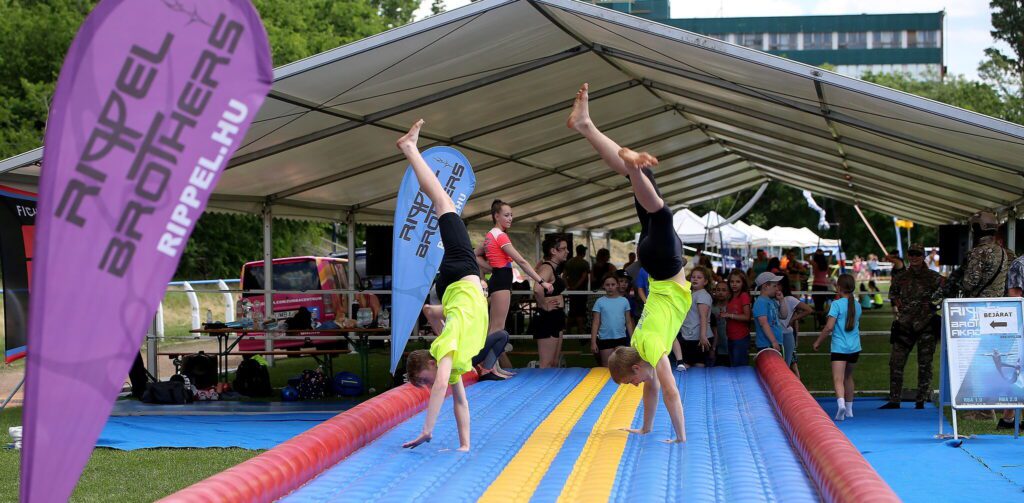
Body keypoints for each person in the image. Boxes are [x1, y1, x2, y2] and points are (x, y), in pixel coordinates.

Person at [570, 82, 689, 443]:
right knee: (648, 196)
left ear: (637, 366)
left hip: (665, 267)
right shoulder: (639, 344)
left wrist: (681, 436)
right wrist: (647, 427)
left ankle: (624, 158)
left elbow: (667, 391)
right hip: (655, 264)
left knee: (662, 211)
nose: (636, 384)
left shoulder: (650, 350)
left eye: (632, 379)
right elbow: (652, 388)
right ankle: (587, 127)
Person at [397, 120, 487, 451]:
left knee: (442, 201)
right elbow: (459, 401)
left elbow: (439, 392)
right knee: (441, 203)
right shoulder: (453, 360)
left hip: (461, 271)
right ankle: (409, 148)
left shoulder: (446, 350)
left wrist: (427, 429)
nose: (430, 384)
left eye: (425, 378)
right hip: (457, 284)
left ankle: (409, 148)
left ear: (431, 364)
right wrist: (464, 445)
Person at [477, 199, 553, 378]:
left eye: (511, 215)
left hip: (500, 278)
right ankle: (488, 368)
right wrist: (542, 282)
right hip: (501, 281)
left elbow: (476, 255)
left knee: (496, 327)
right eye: (506, 215)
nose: (510, 218)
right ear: (496, 216)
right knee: (497, 328)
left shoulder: (490, 235)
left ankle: (492, 367)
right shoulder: (500, 236)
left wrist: (491, 269)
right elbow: (522, 261)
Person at [881, 243, 943, 410]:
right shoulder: (901, 277)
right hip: (905, 326)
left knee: (925, 364)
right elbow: (893, 295)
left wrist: (933, 307)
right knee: (895, 362)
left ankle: (921, 400)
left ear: (923, 256)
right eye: (911, 254)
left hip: (926, 326)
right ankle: (894, 399)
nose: (914, 257)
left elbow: (946, 293)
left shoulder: (933, 277)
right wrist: (902, 309)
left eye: (917, 254)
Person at [813, 274, 862, 422]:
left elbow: (829, 327)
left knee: (838, 378)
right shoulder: (857, 305)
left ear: (838, 287)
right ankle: (849, 409)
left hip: (839, 347)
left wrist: (818, 342)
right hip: (854, 348)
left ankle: (840, 404)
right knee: (848, 377)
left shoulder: (836, 305)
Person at [532, 235, 569, 368]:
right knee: (546, 363)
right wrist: (544, 305)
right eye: (563, 249)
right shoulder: (547, 268)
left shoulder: (554, 268)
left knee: (553, 363)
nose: (567, 251)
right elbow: (537, 289)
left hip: (555, 316)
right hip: (548, 317)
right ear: (553, 251)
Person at [590, 274, 634, 366]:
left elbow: (628, 322)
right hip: (605, 338)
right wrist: (593, 342)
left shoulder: (624, 301)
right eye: (607, 285)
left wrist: (633, 339)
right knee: (606, 365)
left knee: (621, 365)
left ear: (617, 285)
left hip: (621, 338)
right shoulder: (599, 302)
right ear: (603, 286)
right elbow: (595, 323)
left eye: (613, 284)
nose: (610, 287)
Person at [679, 266, 713, 369]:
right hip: (689, 336)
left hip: (698, 338)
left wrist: (703, 336)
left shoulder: (702, 295)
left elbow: (703, 317)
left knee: (698, 366)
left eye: (699, 277)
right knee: (687, 365)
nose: (695, 279)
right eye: (693, 277)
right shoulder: (691, 294)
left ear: (705, 282)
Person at [780, 277, 813, 376]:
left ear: (783, 286)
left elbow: (808, 310)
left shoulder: (790, 299)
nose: (774, 287)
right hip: (776, 335)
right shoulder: (771, 300)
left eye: (777, 284)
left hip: (787, 335)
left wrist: (793, 319)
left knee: (790, 364)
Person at [723, 269, 753, 366]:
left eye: (738, 282)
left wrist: (729, 315)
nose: (734, 284)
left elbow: (747, 316)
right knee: (733, 365)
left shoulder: (743, 296)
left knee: (739, 366)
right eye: (732, 282)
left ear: (743, 283)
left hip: (740, 337)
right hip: (731, 336)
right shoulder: (731, 296)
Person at [752, 272, 788, 354]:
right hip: (767, 345)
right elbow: (763, 323)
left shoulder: (771, 301)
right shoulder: (760, 302)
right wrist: (773, 341)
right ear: (765, 286)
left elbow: (784, 315)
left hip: (774, 343)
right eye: (774, 286)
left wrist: (782, 300)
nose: (777, 289)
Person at [563, 244, 592, 336]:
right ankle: (581, 331)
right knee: (580, 312)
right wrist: (576, 287)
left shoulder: (569, 262)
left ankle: (568, 331)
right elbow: (584, 277)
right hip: (581, 291)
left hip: (571, 292)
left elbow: (564, 275)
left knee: (572, 311)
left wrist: (568, 287)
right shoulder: (584, 263)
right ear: (583, 252)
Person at [710, 281, 732, 366]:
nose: (720, 292)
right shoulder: (711, 307)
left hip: (728, 343)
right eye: (718, 290)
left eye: (723, 290)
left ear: (728, 293)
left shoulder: (731, 307)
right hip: (715, 344)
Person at [810, 249, 832, 326]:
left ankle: (821, 322)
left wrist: (814, 252)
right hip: (824, 286)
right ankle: (822, 322)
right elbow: (831, 253)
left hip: (816, 286)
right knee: (821, 306)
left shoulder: (815, 264)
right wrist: (824, 252)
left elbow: (806, 257)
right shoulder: (826, 264)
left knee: (817, 306)